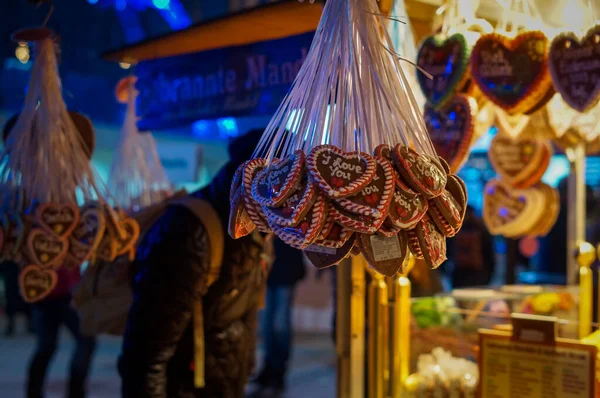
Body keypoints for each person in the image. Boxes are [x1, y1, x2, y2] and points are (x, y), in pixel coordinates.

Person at [119, 129, 272, 398]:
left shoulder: (260, 229)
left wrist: (245, 365)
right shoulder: (191, 229)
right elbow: (147, 353)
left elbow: (244, 310)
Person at [26, 266, 97, 398]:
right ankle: (73, 393)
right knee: (47, 346)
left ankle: (74, 392)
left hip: (58, 293)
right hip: (50, 293)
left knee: (83, 341)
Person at [252, 238, 306, 393]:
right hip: (269, 271)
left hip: (284, 270)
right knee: (268, 325)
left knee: (279, 324)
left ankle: (278, 372)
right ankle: (269, 369)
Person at [448, 205, 495, 288]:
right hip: (478, 275)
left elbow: (447, 252)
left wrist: (446, 272)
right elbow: (489, 255)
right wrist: (488, 276)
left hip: (460, 275)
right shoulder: (481, 229)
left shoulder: (453, 230)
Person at [1, 260, 32, 336]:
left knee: (27, 308)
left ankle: (30, 327)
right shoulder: (8, 264)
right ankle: (10, 328)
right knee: (11, 309)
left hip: (24, 289)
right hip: (12, 289)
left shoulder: (27, 263)